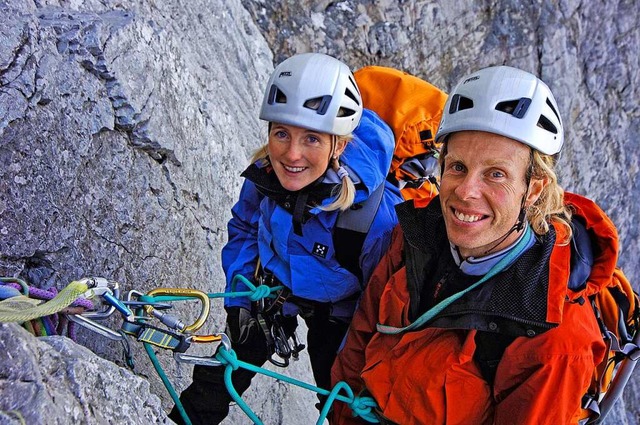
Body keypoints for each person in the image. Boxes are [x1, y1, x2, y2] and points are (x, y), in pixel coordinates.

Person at [331, 65, 621, 424]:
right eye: (457, 167)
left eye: (495, 174)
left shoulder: (555, 341)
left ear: (533, 190)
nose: (466, 192)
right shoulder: (417, 233)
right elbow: (361, 338)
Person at [168, 53, 403, 424]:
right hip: (272, 292)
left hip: (342, 316)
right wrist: (242, 297)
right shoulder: (265, 176)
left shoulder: (373, 218)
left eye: (311, 138)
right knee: (216, 380)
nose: (292, 155)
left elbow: (381, 301)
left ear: (338, 145)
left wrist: (355, 360)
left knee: (342, 402)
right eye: (282, 133)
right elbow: (245, 228)